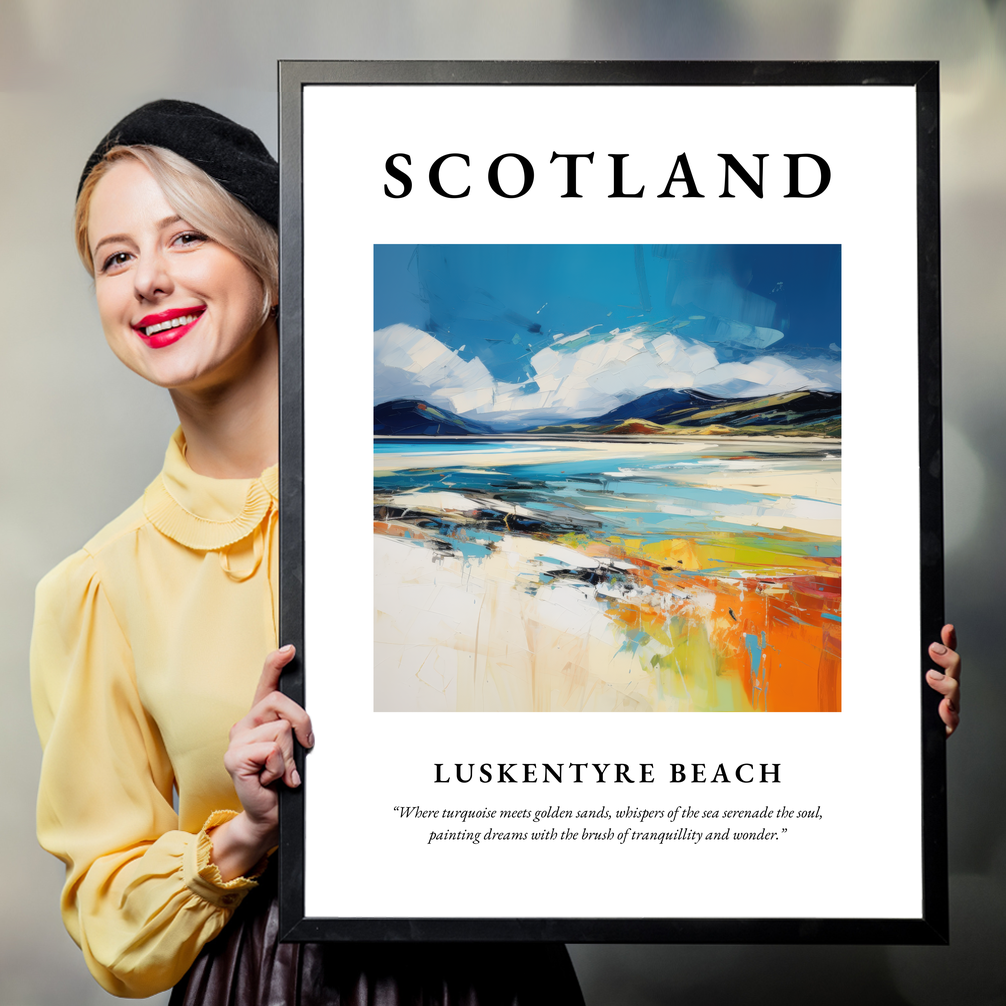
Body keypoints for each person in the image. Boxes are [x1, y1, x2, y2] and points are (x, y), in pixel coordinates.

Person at [30, 100, 585, 1004]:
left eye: (186, 239)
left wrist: (888, 710)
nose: (148, 281)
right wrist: (245, 832)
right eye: (116, 257)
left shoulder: (448, 500)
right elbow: (110, 924)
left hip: (492, 973)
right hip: (262, 982)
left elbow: (615, 710)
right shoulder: (97, 587)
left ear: (273, 264)